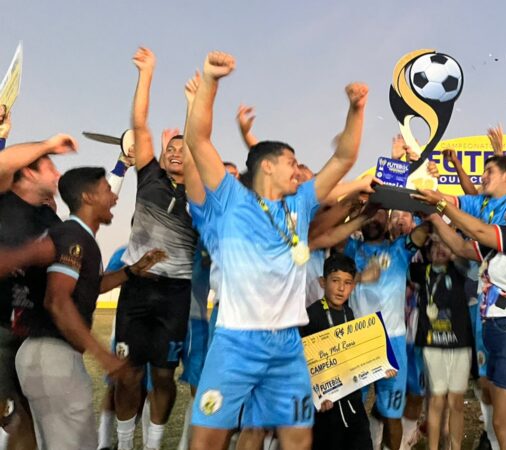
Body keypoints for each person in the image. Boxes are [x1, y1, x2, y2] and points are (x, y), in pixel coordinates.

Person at [184, 50, 367, 450]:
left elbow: (345, 157)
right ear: (267, 166)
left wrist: (355, 109)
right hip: (236, 342)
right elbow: (197, 139)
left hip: (287, 345)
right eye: (291, 162)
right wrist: (211, 81)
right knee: (207, 441)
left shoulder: (299, 205)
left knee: (298, 439)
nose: (296, 169)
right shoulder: (232, 198)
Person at [0, 167, 164, 449]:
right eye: (107, 190)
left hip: (40, 355)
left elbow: (88, 286)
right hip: (53, 358)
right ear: (88, 197)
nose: (114, 197)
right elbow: (57, 300)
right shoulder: (75, 238)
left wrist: (131, 272)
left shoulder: (72, 235)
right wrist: (105, 357)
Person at [416, 187, 506, 450]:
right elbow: (461, 246)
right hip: (502, 333)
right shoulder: (502, 244)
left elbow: (478, 230)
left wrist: (443, 206)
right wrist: (434, 218)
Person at [113, 47, 199, 450]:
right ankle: (125, 441)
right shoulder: (148, 178)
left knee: (164, 377)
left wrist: (193, 106)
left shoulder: (200, 196)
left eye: (184, 149)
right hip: (137, 289)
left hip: (175, 295)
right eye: (171, 148)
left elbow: (197, 142)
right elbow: (141, 125)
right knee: (128, 373)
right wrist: (146, 74)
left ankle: (152, 445)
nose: (175, 151)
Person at [0, 134, 77, 450]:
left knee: (32, 415)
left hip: (38, 332)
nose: (58, 175)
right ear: (29, 173)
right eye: (50, 168)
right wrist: (47, 145)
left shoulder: (51, 219)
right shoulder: (3, 200)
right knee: (10, 413)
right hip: (1, 330)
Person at [343, 209, 429, 450]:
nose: (373, 219)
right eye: (370, 213)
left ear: (387, 218)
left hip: (393, 342)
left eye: (379, 214)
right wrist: (360, 277)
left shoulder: (399, 248)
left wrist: (427, 211)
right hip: (358, 339)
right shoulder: (351, 248)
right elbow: (334, 237)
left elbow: (423, 232)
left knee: (392, 412)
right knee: (350, 409)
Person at [301, 254, 373, 450]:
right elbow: (302, 364)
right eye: (335, 281)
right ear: (323, 282)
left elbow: (354, 356)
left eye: (348, 283)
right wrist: (315, 395)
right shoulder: (311, 316)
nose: (342, 288)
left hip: (353, 403)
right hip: (326, 409)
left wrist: (380, 366)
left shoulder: (349, 314)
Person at [408, 236, 473, 450]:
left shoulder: (461, 270)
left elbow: (473, 269)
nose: (439, 249)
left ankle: (455, 447)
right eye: (434, 245)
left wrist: (455, 251)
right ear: (427, 252)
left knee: (456, 401)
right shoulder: (420, 271)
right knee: (435, 400)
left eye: (444, 243)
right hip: (432, 343)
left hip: (460, 343)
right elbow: (404, 261)